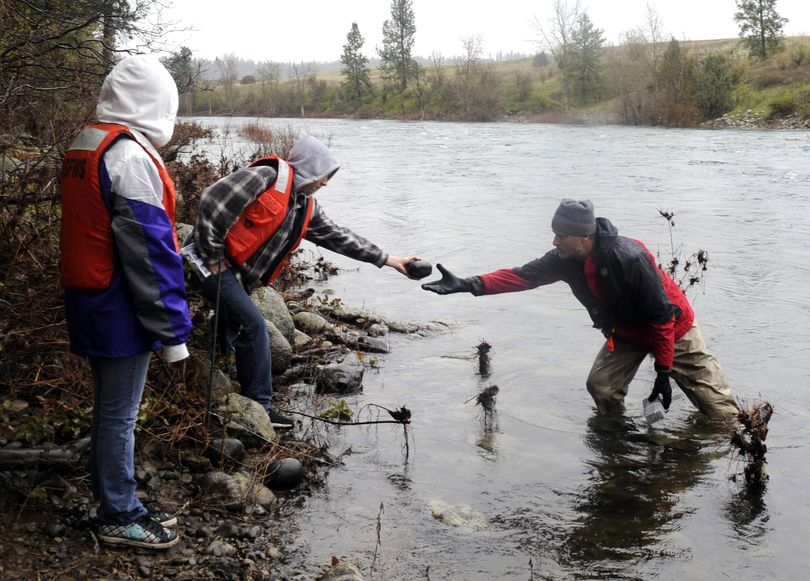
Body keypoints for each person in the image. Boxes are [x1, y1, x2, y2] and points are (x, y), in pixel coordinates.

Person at [421, 198, 739, 420]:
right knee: (601, 387)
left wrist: (663, 373)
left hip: (672, 329)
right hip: (627, 332)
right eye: (555, 233)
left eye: (561, 235)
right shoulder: (564, 259)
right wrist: (467, 284)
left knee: (718, 409)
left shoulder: (628, 257)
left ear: (584, 237)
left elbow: (661, 316)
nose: (555, 240)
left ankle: (743, 445)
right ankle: (618, 442)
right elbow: (522, 276)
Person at [188, 135, 419, 427]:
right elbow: (211, 198)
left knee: (235, 320)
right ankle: (260, 407)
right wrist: (212, 255)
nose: (325, 184)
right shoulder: (264, 177)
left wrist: (388, 259)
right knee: (254, 325)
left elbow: (340, 237)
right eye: (324, 176)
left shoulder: (305, 206)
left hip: (236, 275)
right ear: (308, 169)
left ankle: (217, 359)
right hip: (208, 264)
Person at [59, 55, 191, 549]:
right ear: (158, 103)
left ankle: (121, 501)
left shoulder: (89, 142)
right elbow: (150, 254)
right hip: (119, 305)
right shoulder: (131, 157)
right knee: (120, 414)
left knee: (111, 409)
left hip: (90, 296)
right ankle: (119, 512)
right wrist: (173, 332)